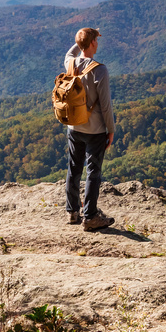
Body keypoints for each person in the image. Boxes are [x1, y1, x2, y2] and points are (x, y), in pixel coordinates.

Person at [63, 27, 116, 231]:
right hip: (95, 131)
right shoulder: (99, 70)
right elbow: (105, 105)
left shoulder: (71, 63)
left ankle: (72, 212)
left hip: (74, 126)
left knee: (74, 167)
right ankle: (91, 216)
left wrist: (81, 40)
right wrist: (110, 130)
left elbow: (70, 53)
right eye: (96, 40)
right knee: (93, 171)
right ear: (93, 43)